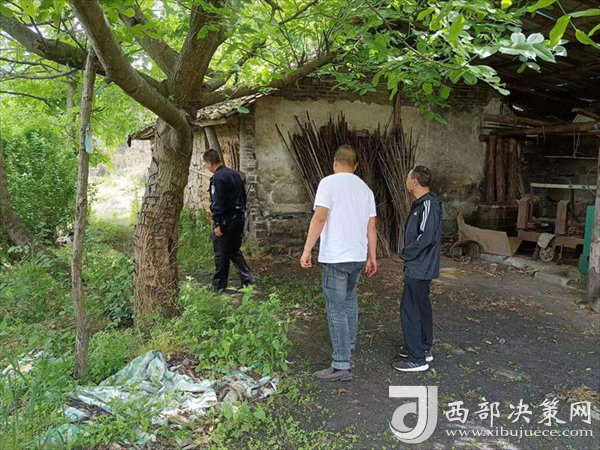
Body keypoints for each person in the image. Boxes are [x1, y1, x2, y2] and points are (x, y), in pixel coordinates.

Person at [300, 145, 378, 382]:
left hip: (336, 257)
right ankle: (349, 344)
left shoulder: (328, 184)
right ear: (355, 166)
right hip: (357, 256)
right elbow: (371, 226)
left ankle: (341, 364)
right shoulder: (365, 190)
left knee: (336, 309)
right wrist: (372, 256)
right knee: (349, 301)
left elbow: (320, 217)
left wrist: (307, 250)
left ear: (335, 161)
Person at [393, 165, 442, 372]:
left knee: (410, 308)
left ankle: (416, 359)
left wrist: (406, 254)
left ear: (415, 182)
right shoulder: (422, 204)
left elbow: (426, 237)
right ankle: (423, 348)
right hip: (419, 266)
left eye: (408, 178)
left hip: (420, 266)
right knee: (421, 305)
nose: (406, 182)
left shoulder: (429, 204)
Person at [203, 149, 254, 291]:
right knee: (233, 250)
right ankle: (248, 279)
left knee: (221, 251)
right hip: (239, 217)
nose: (206, 167)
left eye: (206, 164)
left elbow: (218, 202)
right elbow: (243, 196)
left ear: (210, 163)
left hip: (226, 220)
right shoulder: (235, 175)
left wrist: (218, 223)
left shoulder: (217, 178)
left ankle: (218, 284)